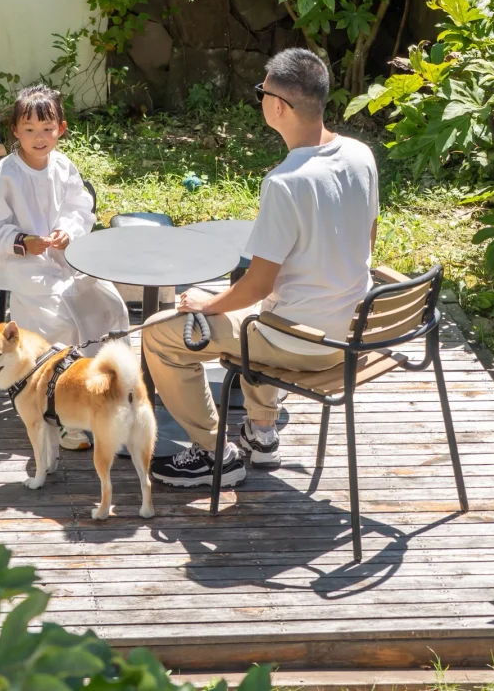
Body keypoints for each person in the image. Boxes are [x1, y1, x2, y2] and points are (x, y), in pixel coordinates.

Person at [145, 48, 379, 489]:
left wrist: (205, 304)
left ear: (279, 107)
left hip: (300, 342)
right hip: (350, 330)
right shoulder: (360, 154)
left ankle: (213, 454)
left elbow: (256, 286)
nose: (261, 100)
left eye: (261, 93)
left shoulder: (286, 182)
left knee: (160, 333)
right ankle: (261, 432)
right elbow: (367, 238)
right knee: (260, 310)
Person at [0, 84, 130, 447]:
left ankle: (107, 388)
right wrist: (21, 241)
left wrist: (67, 231)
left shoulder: (63, 166)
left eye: (47, 129)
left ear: (61, 129)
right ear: (15, 131)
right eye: (29, 129)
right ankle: (63, 412)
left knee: (107, 303)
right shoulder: (5, 173)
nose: (38, 138)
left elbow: (79, 207)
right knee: (58, 321)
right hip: (19, 260)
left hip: (63, 254)